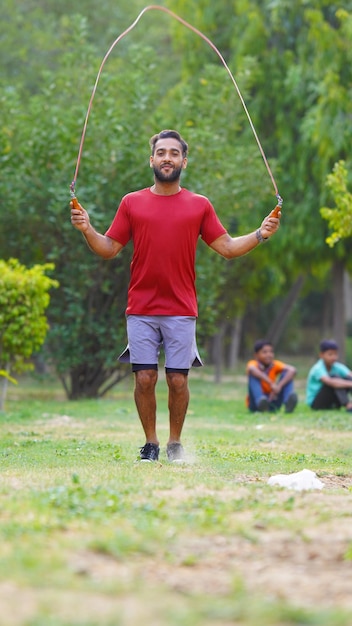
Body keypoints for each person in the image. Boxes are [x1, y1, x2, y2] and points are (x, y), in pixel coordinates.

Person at [71, 129, 281, 462]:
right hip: (140, 307)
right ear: (151, 159)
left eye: (174, 153)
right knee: (144, 377)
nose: (167, 158)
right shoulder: (132, 202)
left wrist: (260, 233)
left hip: (181, 309)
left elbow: (226, 247)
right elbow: (109, 248)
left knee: (177, 381)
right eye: (161, 152)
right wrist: (87, 229)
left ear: (184, 160)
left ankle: (174, 443)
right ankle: (151, 444)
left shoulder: (199, 205)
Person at [246, 339, 297, 413]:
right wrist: (271, 383)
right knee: (253, 374)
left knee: (287, 374)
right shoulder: (253, 363)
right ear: (256, 355)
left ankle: (288, 403)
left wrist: (278, 386)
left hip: (272, 399)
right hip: (255, 404)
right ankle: (260, 402)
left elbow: (292, 370)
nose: (268, 355)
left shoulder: (274, 364)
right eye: (264, 352)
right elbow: (251, 369)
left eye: (271, 352)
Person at [306, 338, 352, 411]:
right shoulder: (318, 368)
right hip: (316, 402)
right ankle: (348, 405)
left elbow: (350, 375)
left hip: (333, 400)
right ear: (321, 355)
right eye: (330, 354)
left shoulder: (337, 366)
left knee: (348, 379)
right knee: (335, 379)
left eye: (335, 354)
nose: (334, 357)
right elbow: (329, 381)